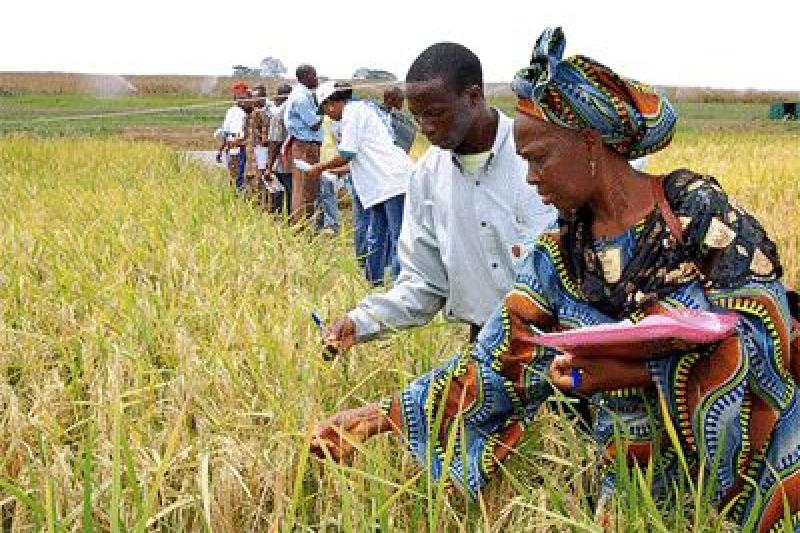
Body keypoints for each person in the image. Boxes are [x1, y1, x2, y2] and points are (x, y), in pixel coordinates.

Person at [310, 28, 800, 532]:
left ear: (589, 143)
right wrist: (381, 416)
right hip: (639, 481)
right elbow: (499, 363)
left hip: (760, 475)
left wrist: (633, 374)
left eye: (538, 158)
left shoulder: (694, 211)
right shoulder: (558, 256)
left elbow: (768, 336)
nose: (529, 177)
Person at [321, 42, 555, 349]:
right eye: (417, 117)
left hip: (564, 343)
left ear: (473, 97)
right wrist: (360, 322)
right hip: (486, 345)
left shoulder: (540, 156)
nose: (425, 128)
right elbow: (423, 283)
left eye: (434, 114)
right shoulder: (426, 177)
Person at [309, 81, 411, 284]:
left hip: (393, 180)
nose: (328, 115)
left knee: (398, 234)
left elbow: (347, 153)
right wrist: (330, 170)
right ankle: (373, 281)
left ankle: (400, 285)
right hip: (379, 185)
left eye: (326, 109)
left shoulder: (353, 113)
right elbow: (357, 160)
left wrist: (319, 167)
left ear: (332, 103)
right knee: (376, 234)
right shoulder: (357, 112)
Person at [284, 64, 324, 223]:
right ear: (306, 76)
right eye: (314, 75)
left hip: (306, 145)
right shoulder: (301, 97)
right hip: (305, 146)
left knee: (308, 188)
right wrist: (325, 108)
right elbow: (314, 124)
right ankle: (300, 227)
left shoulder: (304, 94)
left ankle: (306, 224)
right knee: (303, 189)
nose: (317, 78)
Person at [218, 83, 252, 190]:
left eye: (244, 97)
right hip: (233, 146)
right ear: (235, 98)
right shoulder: (231, 111)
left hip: (243, 146)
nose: (242, 100)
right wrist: (221, 149)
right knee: (234, 174)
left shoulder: (250, 112)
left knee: (242, 174)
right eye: (239, 97)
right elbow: (226, 131)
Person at [266, 83, 293, 214]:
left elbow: (275, 142)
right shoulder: (294, 109)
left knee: (281, 192)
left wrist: (269, 166)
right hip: (295, 161)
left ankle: (283, 221)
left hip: (284, 162)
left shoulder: (278, 113)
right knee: (292, 193)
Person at [382, 85, 417, 154]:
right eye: (400, 100)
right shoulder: (380, 116)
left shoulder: (400, 118)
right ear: (390, 100)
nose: (402, 104)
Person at [250, 84, 270, 195]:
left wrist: (263, 140)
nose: (254, 100)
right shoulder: (255, 111)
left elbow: (264, 136)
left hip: (264, 148)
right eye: (252, 97)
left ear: (263, 97)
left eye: (256, 97)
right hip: (258, 148)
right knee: (258, 173)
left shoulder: (268, 110)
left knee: (263, 174)